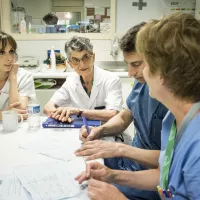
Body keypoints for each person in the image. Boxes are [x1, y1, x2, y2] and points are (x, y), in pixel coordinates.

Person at [76, 13, 200, 200]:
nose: (134, 73)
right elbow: (165, 174)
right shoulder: (173, 121)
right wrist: (113, 175)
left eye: (144, 64)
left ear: (165, 72)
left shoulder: (196, 145)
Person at [75, 23, 168, 200]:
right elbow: (124, 117)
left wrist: (119, 149)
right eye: (127, 64)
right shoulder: (142, 86)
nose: (130, 72)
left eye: (136, 64)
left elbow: (171, 161)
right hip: (131, 161)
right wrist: (99, 131)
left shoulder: (172, 102)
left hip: (149, 175)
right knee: (81, 165)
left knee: (86, 191)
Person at [44, 36, 122, 122]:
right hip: (80, 130)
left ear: (93, 57)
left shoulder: (111, 79)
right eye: (76, 60)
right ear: (70, 64)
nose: (82, 64)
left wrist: (79, 112)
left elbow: (113, 114)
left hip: (107, 132)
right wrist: (60, 115)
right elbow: (47, 107)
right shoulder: (70, 81)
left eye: (86, 57)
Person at [0, 31, 35, 121]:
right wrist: (3, 115)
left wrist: (13, 77)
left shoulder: (24, 76)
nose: (9, 58)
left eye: (11, 51)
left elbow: (19, 111)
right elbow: (12, 115)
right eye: (1, 52)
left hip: (16, 129)